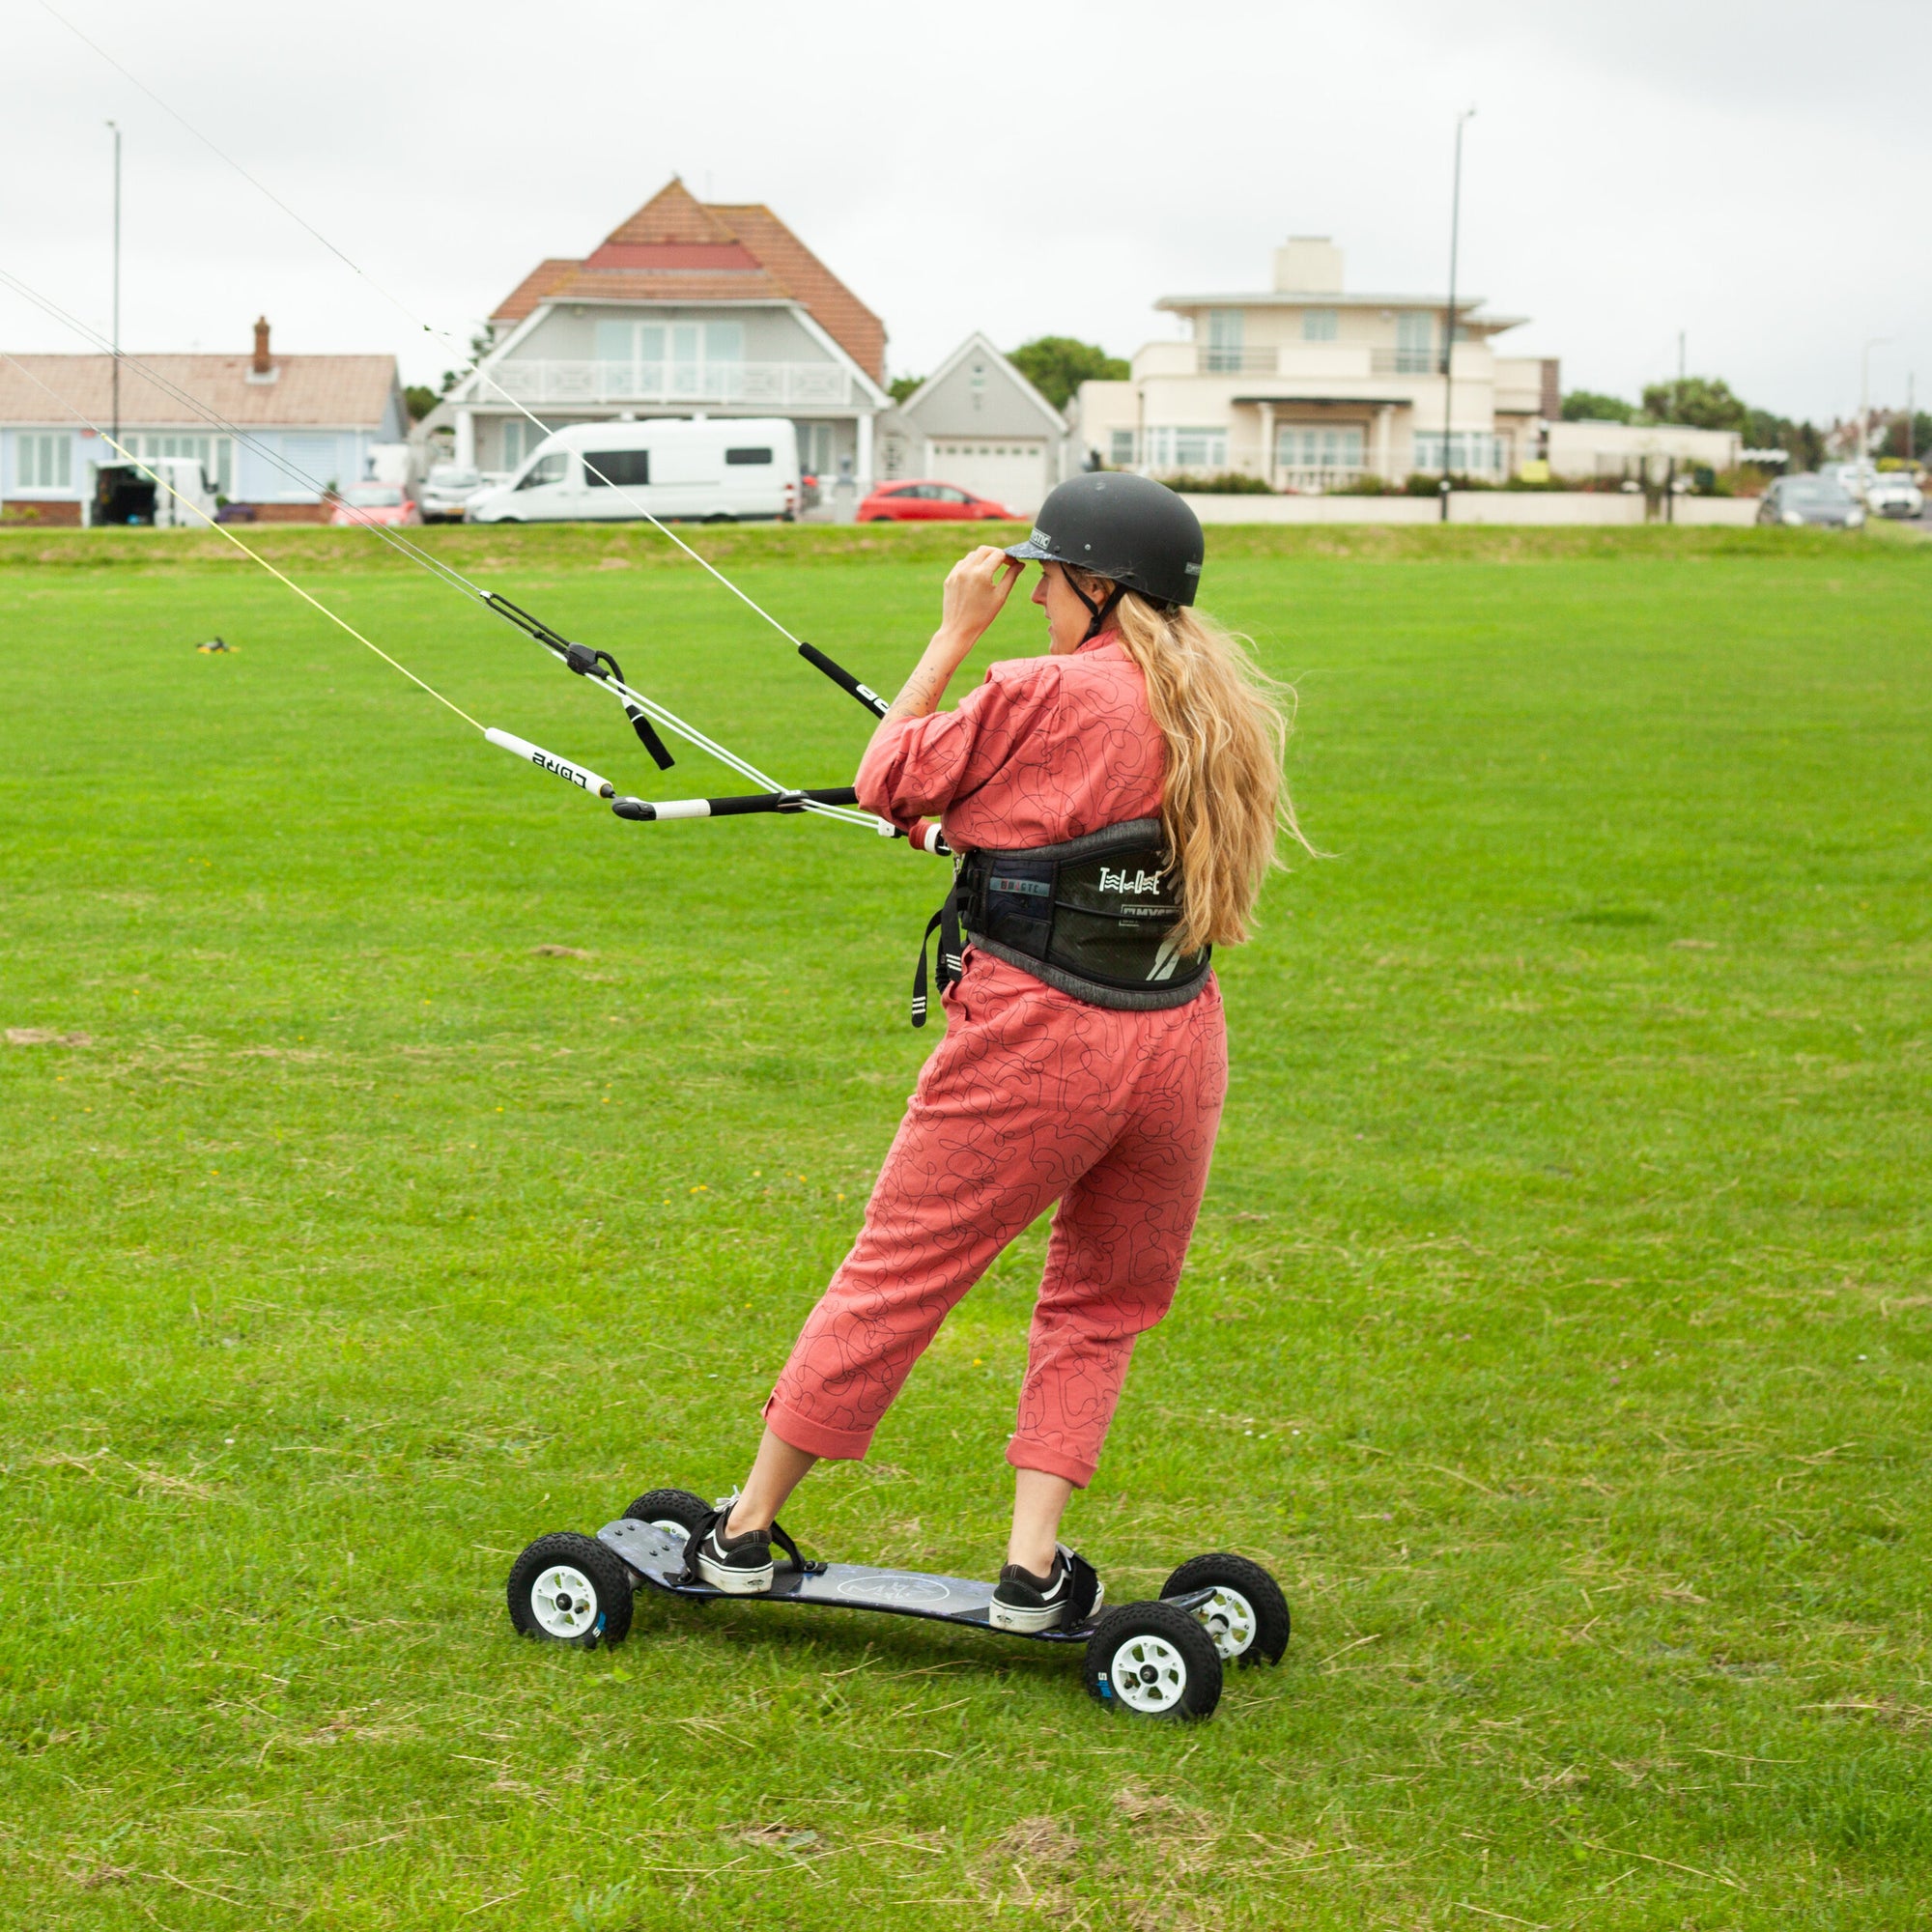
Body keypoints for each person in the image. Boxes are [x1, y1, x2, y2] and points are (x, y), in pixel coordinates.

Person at [687, 473, 1307, 1630]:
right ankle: (1031, 1566)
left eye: (1045, 578)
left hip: (1035, 1043)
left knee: (897, 1272)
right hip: (1177, 1041)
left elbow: (889, 779)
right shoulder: (1217, 702)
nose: (1031, 601)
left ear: (1096, 584)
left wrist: (951, 630)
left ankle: (741, 1531)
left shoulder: (1037, 687)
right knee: (1099, 1301)